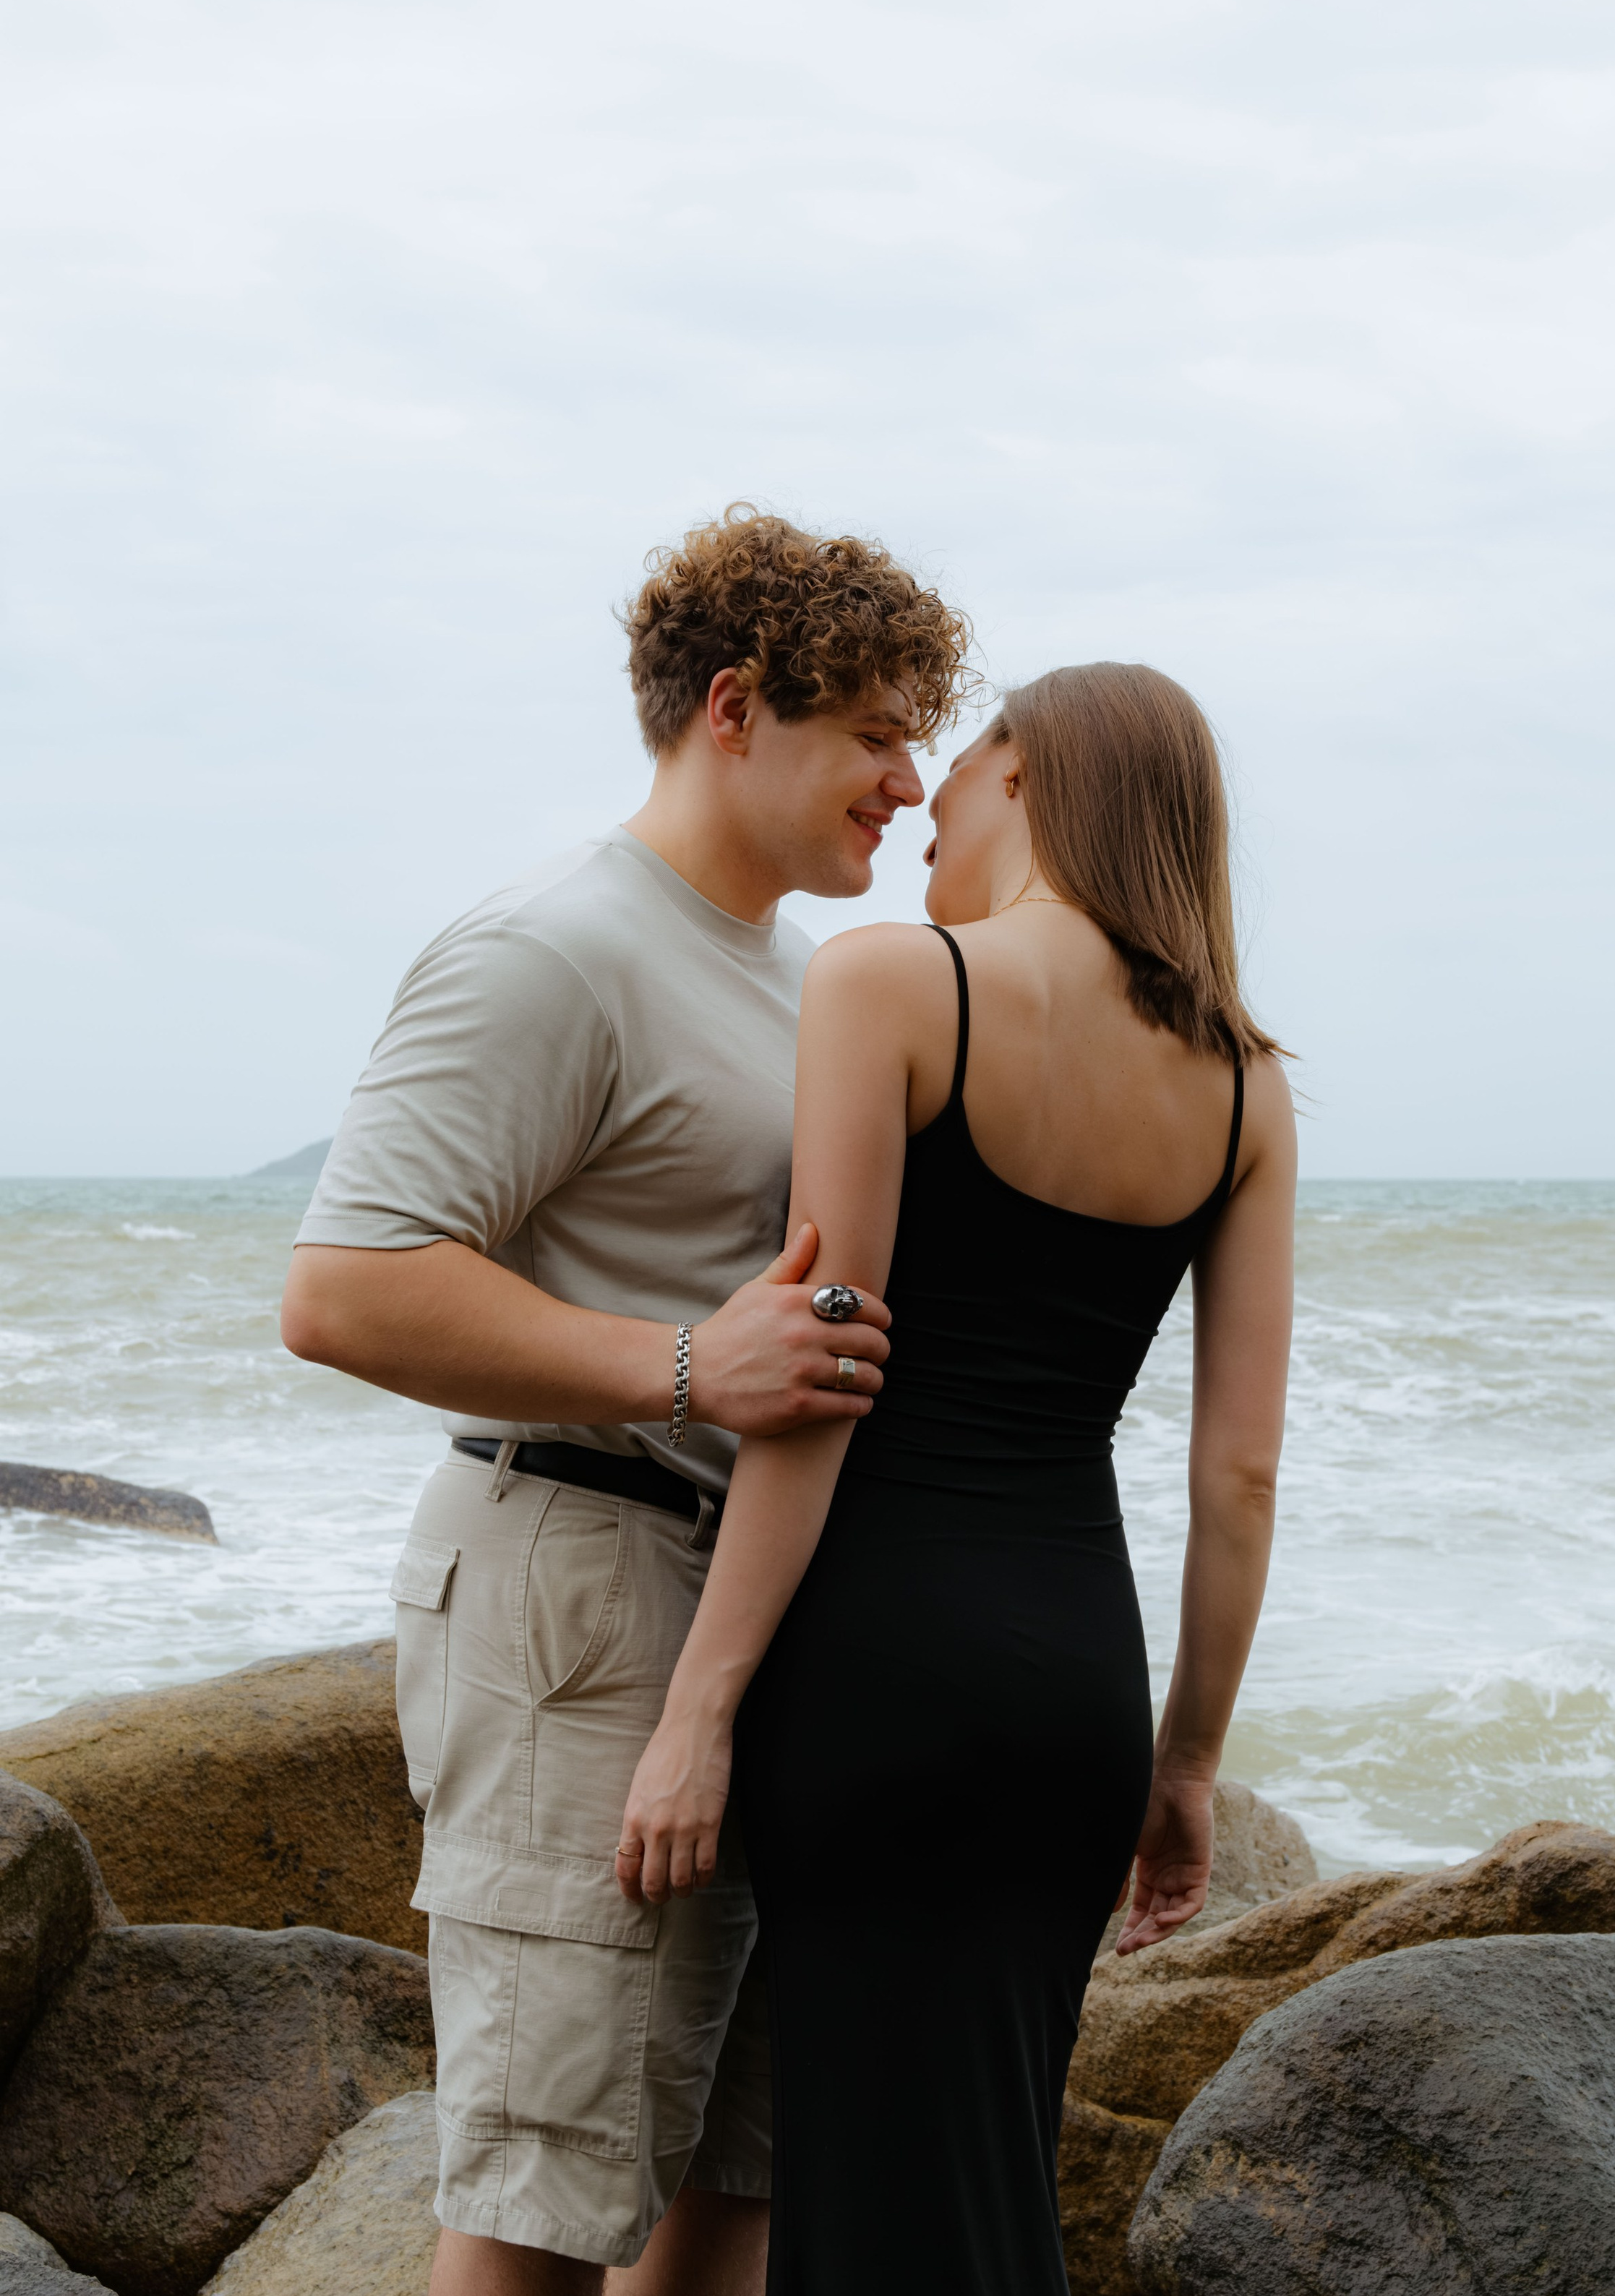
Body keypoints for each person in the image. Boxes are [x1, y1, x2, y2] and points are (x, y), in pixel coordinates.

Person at [278, 507, 974, 2296]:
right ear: (735, 708)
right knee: (540, 2200)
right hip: (574, 1589)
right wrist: (683, 1363)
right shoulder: (554, 945)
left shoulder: (810, 980)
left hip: (739, 1608)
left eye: (920, 737)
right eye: (877, 733)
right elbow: (344, 1288)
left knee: (726, 2184)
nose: (911, 777)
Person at [614, 660, 1296, 2295]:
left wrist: (700, 1703)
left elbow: (822, 1376)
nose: (923, 802)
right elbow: (1238, 1477)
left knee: (856, 2183)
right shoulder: (1243, 1087)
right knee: (982, 2152)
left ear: (1031, 777)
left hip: (873, 1668)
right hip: (1073, 1677)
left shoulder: (889, 987)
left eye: (961, 757)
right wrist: (1183, 1761)